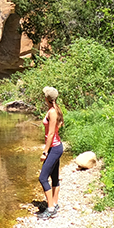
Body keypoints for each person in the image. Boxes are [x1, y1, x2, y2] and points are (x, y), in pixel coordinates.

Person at [37, 86, 64, 219]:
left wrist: (45, 152)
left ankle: (51, 208)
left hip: (54, 148)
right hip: (57, 147)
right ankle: (55, 203)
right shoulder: (56, 109)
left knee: (42, 178)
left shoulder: (52, 112)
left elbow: (52, 133)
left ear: (47, 98)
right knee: (54, 177)